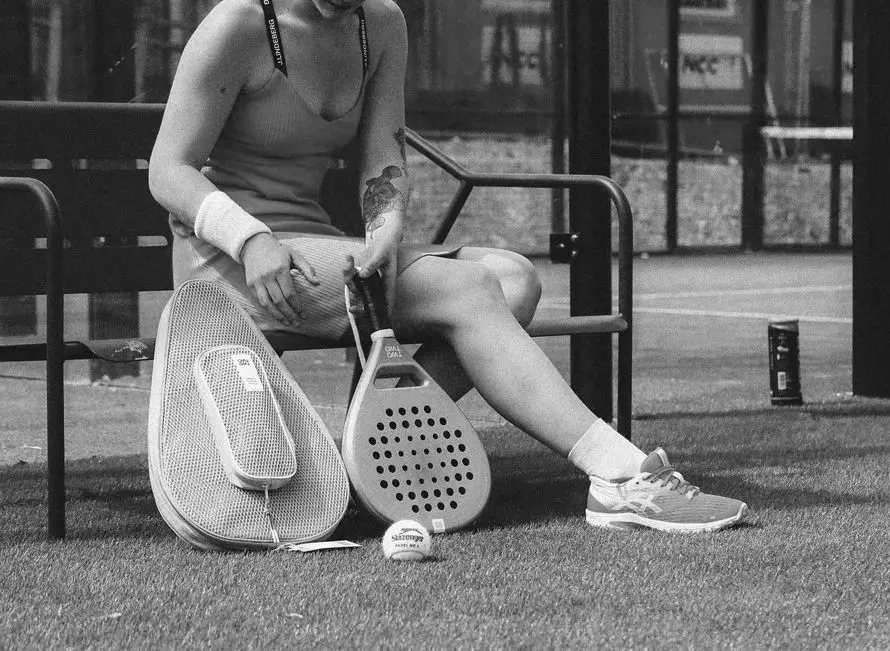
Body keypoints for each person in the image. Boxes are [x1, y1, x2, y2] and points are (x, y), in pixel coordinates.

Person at [148, 0, 747, 533]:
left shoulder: (379, 25)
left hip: (316, 252)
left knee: (514, 278)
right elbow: (167, 170)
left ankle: (372, 456)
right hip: (231, 266)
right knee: (467, 288)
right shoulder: (238, 24)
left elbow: (384, 147)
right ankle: (617, 475)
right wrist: (250, 239)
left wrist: (385, 231)